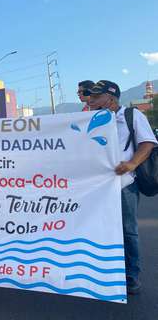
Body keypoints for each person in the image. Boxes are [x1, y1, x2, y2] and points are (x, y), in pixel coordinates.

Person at [84, 80, 157, 295]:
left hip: (125, 185)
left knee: (128, 230)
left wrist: (132, 164)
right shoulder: (91, 120)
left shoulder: (132, 116)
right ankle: (106, 271)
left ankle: (131, 276)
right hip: (97, 186)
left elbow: (148, 143)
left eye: (96, 97)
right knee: (99, 229)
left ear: (111, 98)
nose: (91, 100)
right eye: (91, 97)